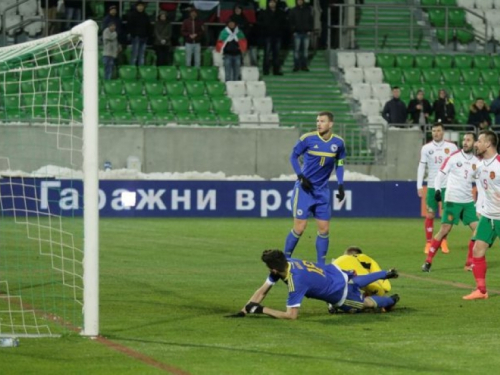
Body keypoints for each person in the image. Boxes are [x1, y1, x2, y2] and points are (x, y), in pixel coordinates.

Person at [226, 249, 400, 320]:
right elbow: (263, 290)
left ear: (273, 268)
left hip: (339, 293)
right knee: (357, 280)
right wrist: (244, 309)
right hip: (336, 273)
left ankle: (391, 301)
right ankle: (386, 273)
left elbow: (291, 315)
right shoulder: (290, 262)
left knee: (365, 304)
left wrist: (261, 309)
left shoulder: (296, 282)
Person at [284, 111, 345, 265]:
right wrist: (300, 176)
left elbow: (340, 164)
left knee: (324, 229)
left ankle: (321, 265)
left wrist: (340, 184)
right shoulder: (307, 139)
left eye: (322, 121)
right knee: (300, 227)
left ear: (330, 124)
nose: (318, 124)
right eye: (317, 121)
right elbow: (293, 156)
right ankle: (285, 259)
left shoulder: (338, 143)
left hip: (322, 191)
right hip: (304, 190)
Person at [421, 133, 479, 272]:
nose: (465, 142)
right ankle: (428, 261)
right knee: (445, 230)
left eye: (468, 140)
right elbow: (439, 175)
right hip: (453, 200)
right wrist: (437, 190)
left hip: (468, 202)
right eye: (464, 139)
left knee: (478, 231)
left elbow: (480, 182)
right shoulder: (454, 158)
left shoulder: (477, 162)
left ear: (475, 143)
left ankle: (469, 262)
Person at [463, 130, 500, 300]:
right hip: (488, 215)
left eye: (479, 141)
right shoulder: (480, 165)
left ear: (488, 144)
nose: (476, 144)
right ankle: (481, 290)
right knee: (477, 250)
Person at [417, 122, 459, 254]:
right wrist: (419, 185)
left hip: (448, 186)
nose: (436, 133)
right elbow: (422, 167)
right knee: (430, 214)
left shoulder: (452, 147)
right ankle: (429, 242)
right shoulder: (426, 148)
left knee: (447, 215)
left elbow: (458, 165)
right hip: (431, 185)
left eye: (438, 130)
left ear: (443, 132)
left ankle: (443, 241)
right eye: (433, 130)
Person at [258, 0, 287, 76]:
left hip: (277, 36)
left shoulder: (280, 13)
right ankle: (266, 70)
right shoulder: (264, 13)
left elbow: (284, 24)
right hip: (268, 36)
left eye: (274, 2)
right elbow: (260, 24)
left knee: (276, 54)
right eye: (271, 2)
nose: (272, 4)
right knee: (267, 54)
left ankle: (276, 70)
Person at [289, 0, 313, 72]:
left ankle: (304, 66)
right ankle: (296, 66)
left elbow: (311, 20)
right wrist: (293, 31)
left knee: (305, 50)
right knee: (296, 50)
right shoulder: (293, 10)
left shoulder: (307, 10)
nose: (300, 2)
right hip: (297, 33)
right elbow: (290, 21)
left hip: (306, 33)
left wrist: (310, 30)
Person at [127, 1, 152, 66]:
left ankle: (141, 69)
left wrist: (148, 35)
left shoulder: (145, 16)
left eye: (142, 6)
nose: (140, 7)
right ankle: (132, 69)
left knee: (142, 54)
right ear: (136, 7)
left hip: (144, 37)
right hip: (136, 37)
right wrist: (134, 34)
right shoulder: (132, 15)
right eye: (139, 6)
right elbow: (129, 26)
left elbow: (148, 27)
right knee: (134, 54)